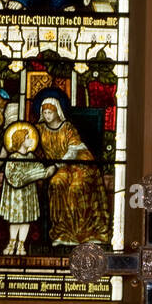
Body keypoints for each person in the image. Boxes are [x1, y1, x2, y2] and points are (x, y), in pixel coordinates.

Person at [33, 89, 110, 244]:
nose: (47, 115)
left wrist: (56, 164)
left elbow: (74, 149)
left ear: (57, 112)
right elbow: (31, 145)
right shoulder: (39, 129)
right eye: (45, 112)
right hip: (59, 168)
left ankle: (85, 232)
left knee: (77, 187)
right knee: (56, 183)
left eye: (50, 112)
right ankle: (62, 231)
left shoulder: (67, 127)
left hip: (79, 163)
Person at [0, 122, 56, 255]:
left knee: (26, 219)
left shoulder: (31, 157)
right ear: (20, 140)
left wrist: (51, 169)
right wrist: (35, 174)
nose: (30, 140)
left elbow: (41, 171)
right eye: (27, 137)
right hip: (15, 195)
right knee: (15, 220)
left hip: (28, 194)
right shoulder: (12, 158)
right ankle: (11, 242)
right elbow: (15, 179)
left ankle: (21, 245)